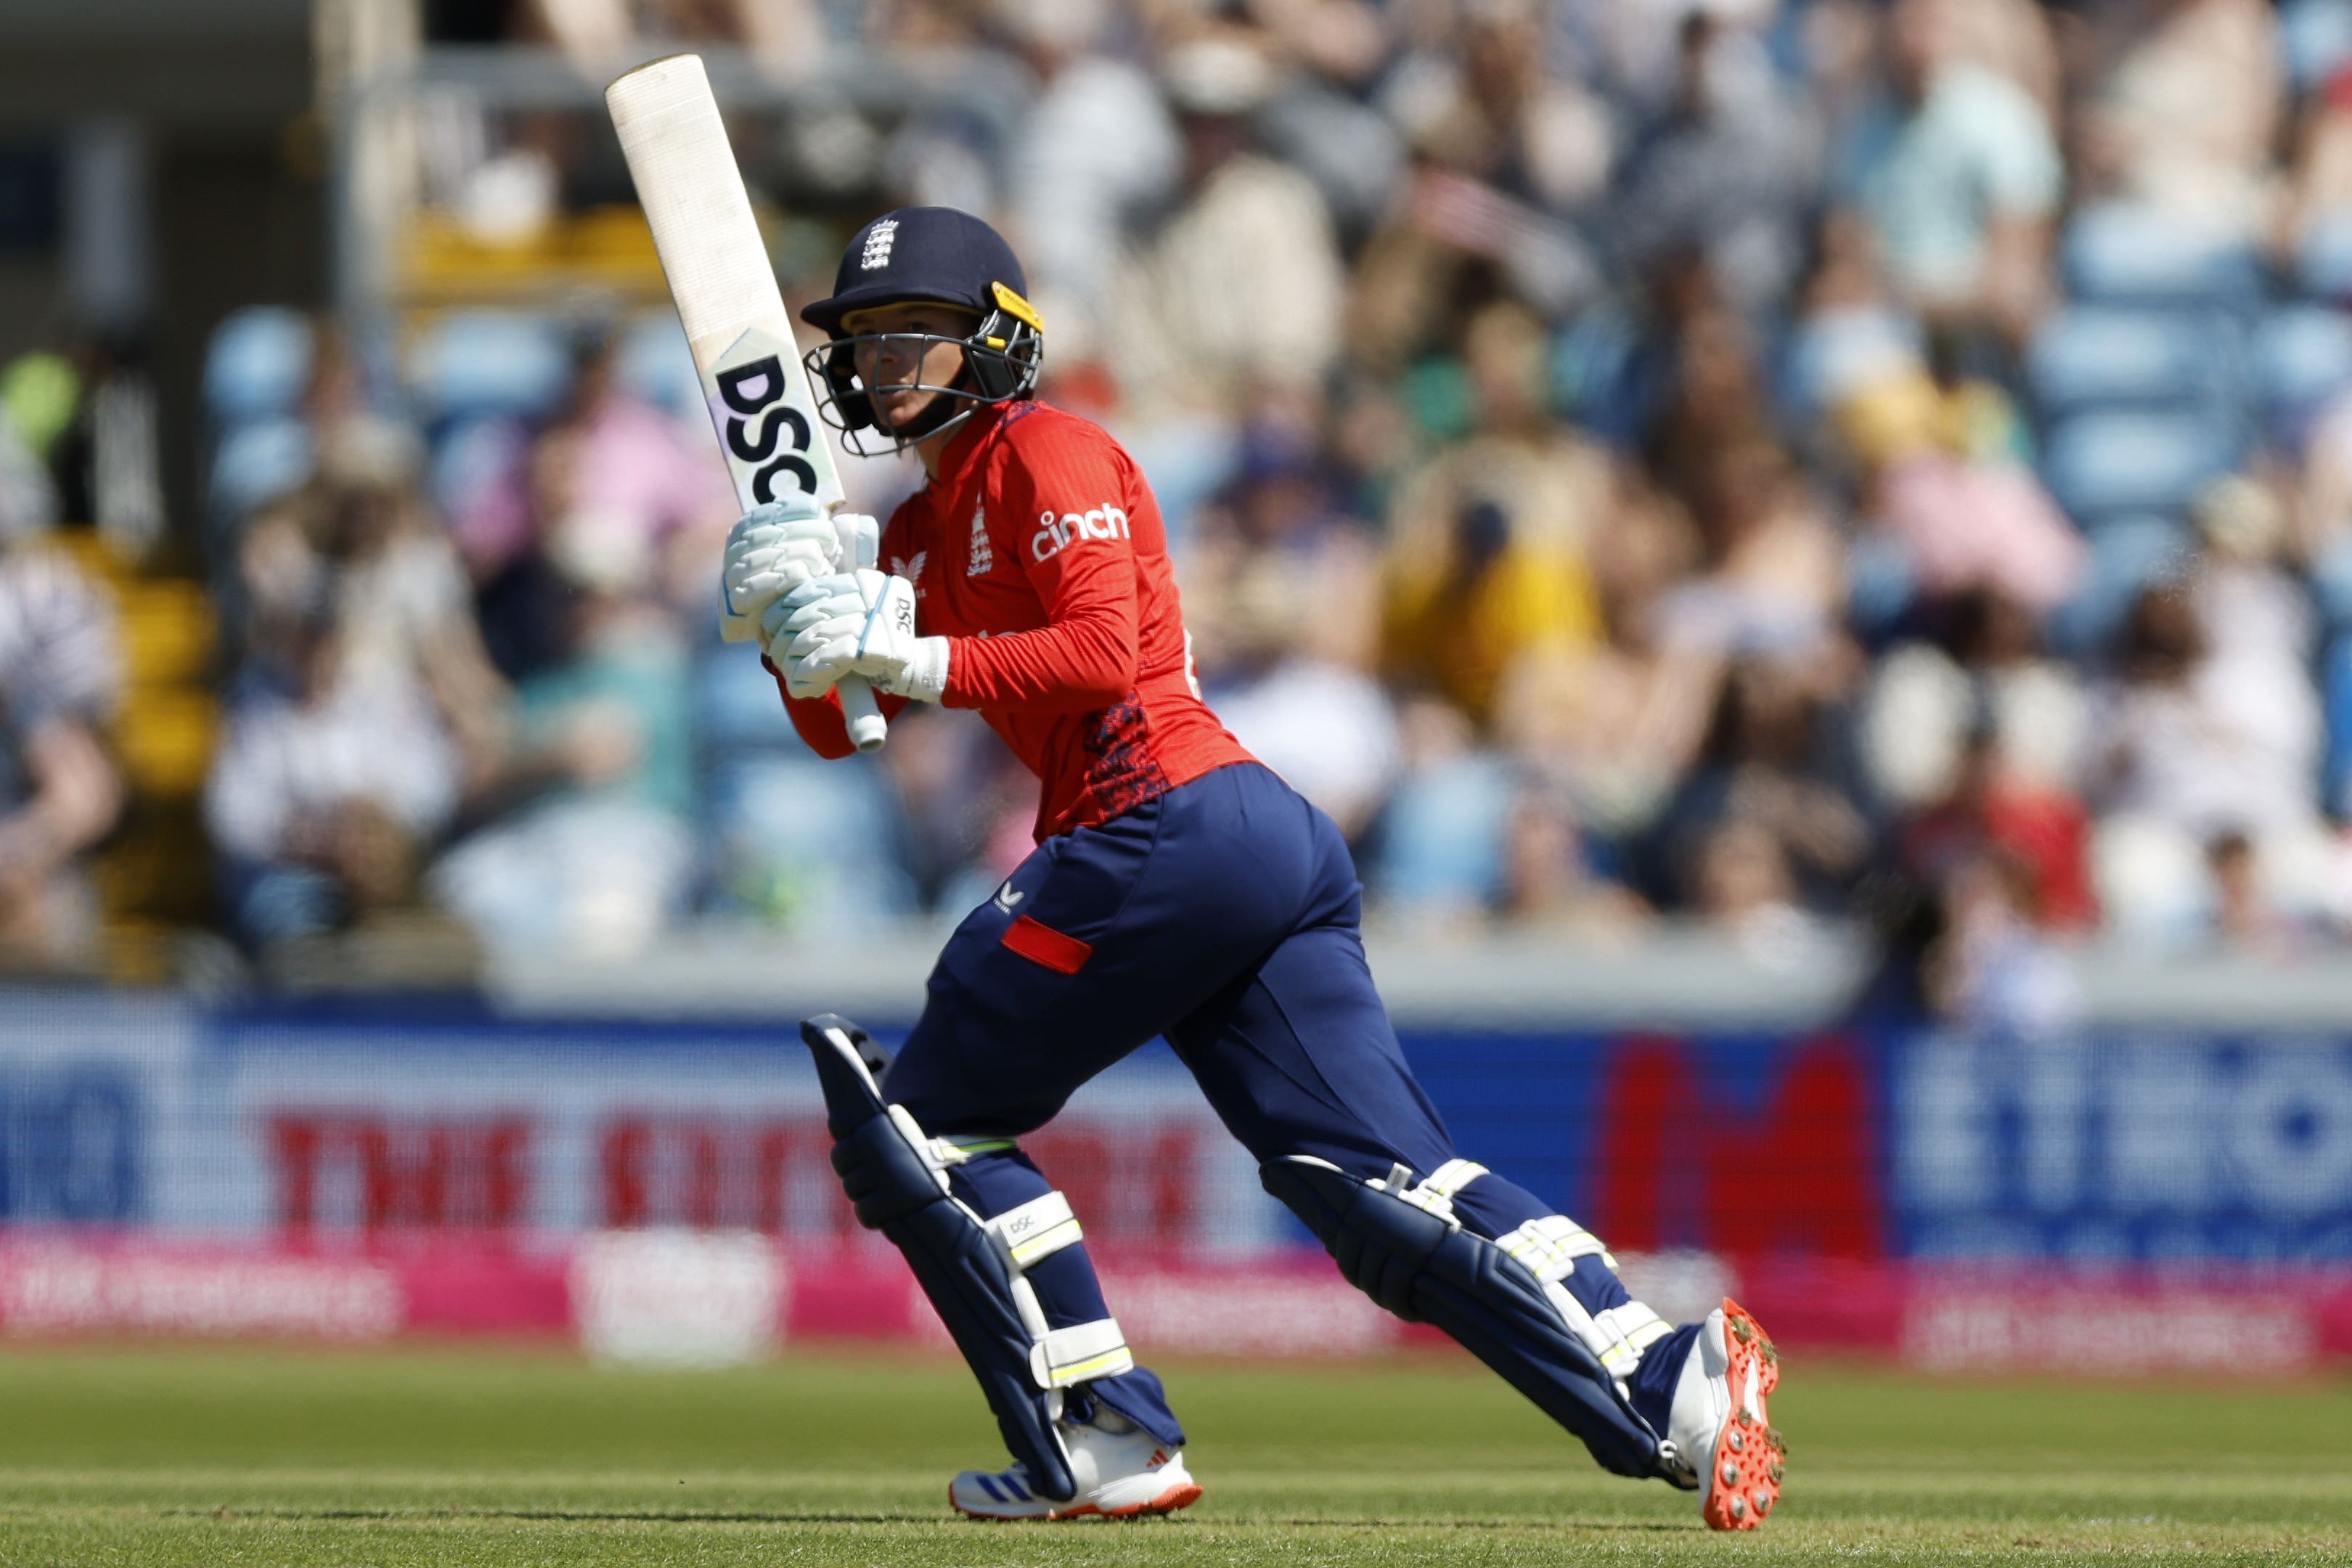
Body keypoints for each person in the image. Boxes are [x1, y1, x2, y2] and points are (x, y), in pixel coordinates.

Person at [722, 207, 1786, 1528]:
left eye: (915, 340)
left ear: (994, 341)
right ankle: (1669, 1374)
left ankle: (1097, 1439)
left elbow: (1101, 655)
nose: (884, 369)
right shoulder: (922, 532)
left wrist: (902, 652)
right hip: (1233, 848)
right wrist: (786, 623)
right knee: (1372, 1192)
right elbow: (843, 725)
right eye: (868, 343)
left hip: (1163, 819)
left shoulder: (1052, 450)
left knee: (918, 1122)